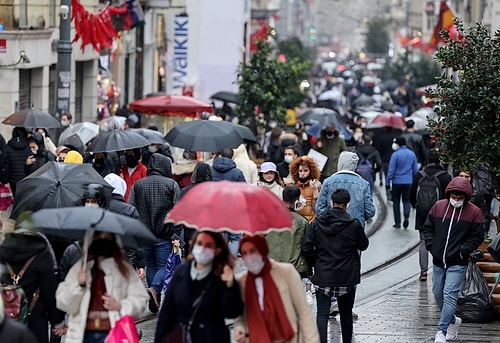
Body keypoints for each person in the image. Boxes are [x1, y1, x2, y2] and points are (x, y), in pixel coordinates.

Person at [56, 230, 148, 343]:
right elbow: (63, 302)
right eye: (98, 237)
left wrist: (120, 306)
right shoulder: (80, 268)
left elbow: (140, 300)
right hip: (82, 334)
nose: (102, 242)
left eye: (107, 238)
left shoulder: (123, 269)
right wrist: (78, 285)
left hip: (113, 333)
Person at [302, 188, 369, 343]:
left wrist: (313, 265)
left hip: (323, 275)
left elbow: (306, 247)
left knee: (322, 314)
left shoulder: (317, 223)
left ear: (331, 203)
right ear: (348, 205)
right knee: (346, 313)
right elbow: (363, 245)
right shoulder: (353, 224)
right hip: (347, 276)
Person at [154, 231, 244, 343]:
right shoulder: (180, 273)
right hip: (182, 337)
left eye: (208, 245)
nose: (202, 249)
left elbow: (232, 312)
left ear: (217, 250)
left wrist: (230, 285)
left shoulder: (222, 276)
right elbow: (166, 314)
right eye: (199, 243)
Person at [423, 176, 484, 343]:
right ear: (449, 194)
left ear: (466, 197)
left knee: (450, 295)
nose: (456, 200)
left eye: (460, 198)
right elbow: (428, 228)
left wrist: (463, 250)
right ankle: (452, 320)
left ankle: (441, 331)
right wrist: (431, 246)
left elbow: (477, 236)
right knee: (437, 293)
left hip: (458, 261)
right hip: (438, 260)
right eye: (454, 197)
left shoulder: (474, 212)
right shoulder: (438, 207)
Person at [233, 235, 319, 343]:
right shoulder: (242, 281)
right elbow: (240, 317)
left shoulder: (286, 272)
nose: (249, 257)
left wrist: (312, 340)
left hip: (288, 339)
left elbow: (304, 312)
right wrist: (239, 328)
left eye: (252, 251)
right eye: (245, 253)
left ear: (262, 250)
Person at [128, 153, 181, 314]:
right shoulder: (171, 184)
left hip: (144, 234)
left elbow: (131, 208)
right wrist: (177, 235)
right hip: (164, 234)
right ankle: (154, 290)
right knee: (164, 266)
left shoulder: (138, 185)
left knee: (150, 265)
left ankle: (154, 297)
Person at [0, 228, 66, 343]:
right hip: (35, 317)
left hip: (7, 317)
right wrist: (57, 321)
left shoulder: (3, 249)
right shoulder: (42, 253)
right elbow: (49, 290)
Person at [410, 150, 451, 281]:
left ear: (427, 160)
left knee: (423, 241)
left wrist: (417, 206)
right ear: (440, 160)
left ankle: (423, 271)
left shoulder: (419, 175)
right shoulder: (445, 176)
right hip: (440, 213)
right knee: (440, 240)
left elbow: (411, 195)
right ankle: (438, 269)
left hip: (422, 214)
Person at [316, 151, 375, 229]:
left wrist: (328, 220)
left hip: (332, 228)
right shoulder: (363, 184)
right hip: (355, 230)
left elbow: (319, 209)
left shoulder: (328, 182)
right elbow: (370, 211)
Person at [386, 136, 418, 229]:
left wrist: (388, 182)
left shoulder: (395, 155)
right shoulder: (412, 154)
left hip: (397, 182)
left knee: (396, 202)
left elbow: (391, 170)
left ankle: (398, 222)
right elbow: (415, 170)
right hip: (408, 182)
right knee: (406, 200)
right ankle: (406, 215)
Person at [288, 156, 322, 223]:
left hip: (311, 221)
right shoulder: (292, 185)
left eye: (305, 171)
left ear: (311, 171)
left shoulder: (317, 185)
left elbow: (318, 208)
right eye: (300, 171)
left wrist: (315, 191)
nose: (303, 173)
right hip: (296, 221)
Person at [7, 127, 31, 195]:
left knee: (16, 197)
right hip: (26, 177)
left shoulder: (9, 146)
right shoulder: (28, 145)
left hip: (12, 178)